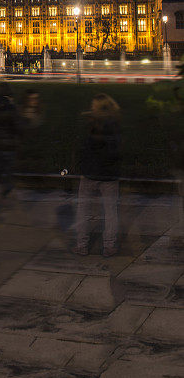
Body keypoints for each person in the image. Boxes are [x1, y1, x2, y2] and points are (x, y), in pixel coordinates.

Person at [74, 94, 121, 257]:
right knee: (110, 211)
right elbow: (116, 150)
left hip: (90, 173)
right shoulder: (115, 125)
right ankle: (109, 245)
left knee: (83, 210)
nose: (91, 107)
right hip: (109, 175)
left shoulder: (91, 124)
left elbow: (85, 148)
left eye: (93, 105)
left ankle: (82, 245)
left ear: (99, 107)